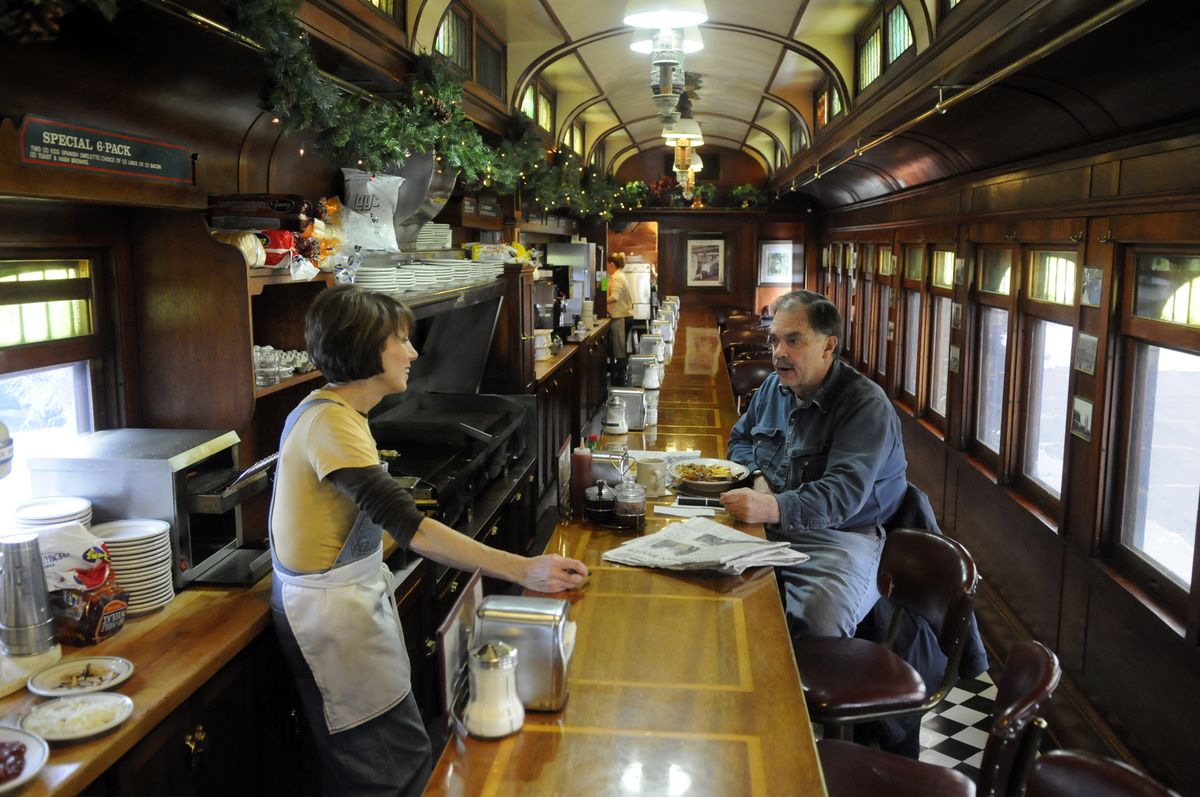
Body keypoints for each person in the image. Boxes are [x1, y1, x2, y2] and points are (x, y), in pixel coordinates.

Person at [269, 285, 588, 797]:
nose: (414, 352)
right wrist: (523, 569)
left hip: (344, 611)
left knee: (397, 757)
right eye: (401, 339)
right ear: (365, 347)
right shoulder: (331, 423)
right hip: (333, 624)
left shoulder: (328, 409)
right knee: (390, 771)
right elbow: (411, 528)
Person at [720, 290, 907, 639]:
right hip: (770, 524)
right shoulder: (773, 388)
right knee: (712, 590)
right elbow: (740, 439)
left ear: (828, 345)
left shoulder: (864, 406)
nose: (779, 353)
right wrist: (758, 477)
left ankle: (805, 693)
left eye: (793, 341)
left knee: (820, 620)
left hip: (840, 535)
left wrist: (773, 505)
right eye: (774, 341)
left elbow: (841, 496)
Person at [606, 251, 633, 385]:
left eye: (607, 265)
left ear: (612, 264)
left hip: (620, 318)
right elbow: (606, 290)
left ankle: (621, 380)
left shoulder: (616, 277)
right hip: (623, 316)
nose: (606, 268)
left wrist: (600, 302)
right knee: (619, 349)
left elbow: (614, 297)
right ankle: (621, 376)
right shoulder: (617, 275)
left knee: (619, 350)